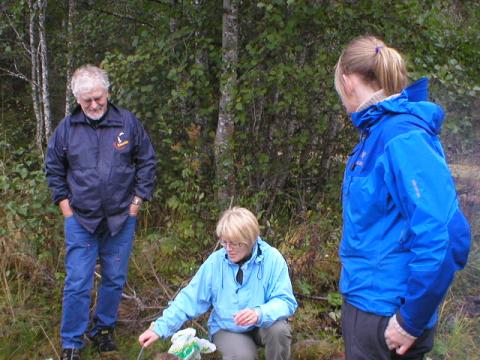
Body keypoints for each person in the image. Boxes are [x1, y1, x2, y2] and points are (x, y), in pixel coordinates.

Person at [333, 35, 471, 360]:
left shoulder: (400, 137)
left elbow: (448, 234)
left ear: (347, 80)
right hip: (367, 305)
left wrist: (410, 320)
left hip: (386, 317)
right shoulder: (376, 135)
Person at [45, 64, 156, 360]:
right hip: (81, 219)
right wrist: (65, 207)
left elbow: (147, 161)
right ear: (77, 100)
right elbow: (53, 168)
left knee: (114, 278)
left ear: (107, 92)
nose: (94, 105)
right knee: (78, 281)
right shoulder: (67, 129)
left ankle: (104, 330)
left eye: (98, 97)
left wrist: (136, 203)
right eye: (86, 101)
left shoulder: (127, 124)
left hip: (121, 219)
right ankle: (71, 342)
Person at [138, 207, 298, 359]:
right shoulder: (215, 263)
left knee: (279, 331)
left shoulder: (272, 259)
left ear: (250, 240)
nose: (228, 249)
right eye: (224, 242)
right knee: (242, 356)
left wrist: (259, 313)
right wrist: (159, 329)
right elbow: (189, 299)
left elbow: (285, 301)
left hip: (263, 323)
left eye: (234, 243)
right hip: (227, 328)